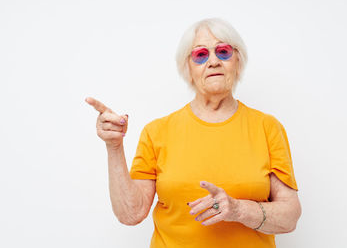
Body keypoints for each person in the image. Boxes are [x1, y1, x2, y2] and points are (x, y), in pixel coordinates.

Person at [85, 17, 302, 248]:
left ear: (237, 61)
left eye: (223, 51)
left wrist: (238, 209)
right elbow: (131, 214)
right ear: (187, 67)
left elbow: (290, 216)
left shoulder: (267, 128)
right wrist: (114, 146)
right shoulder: (157, 132)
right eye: (200, 55)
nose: (213, 61)